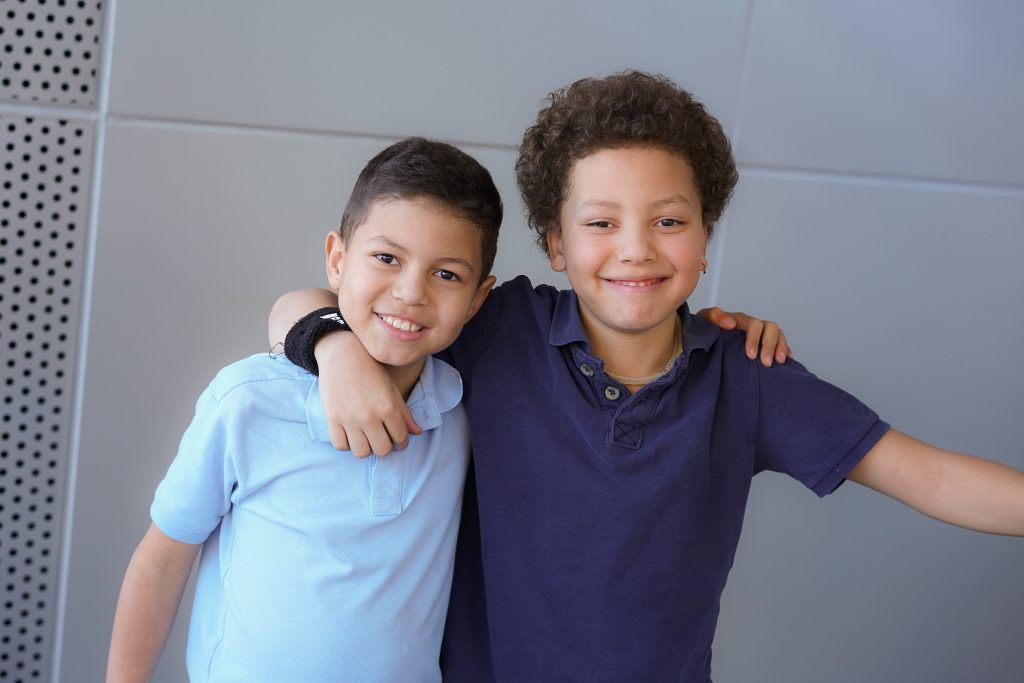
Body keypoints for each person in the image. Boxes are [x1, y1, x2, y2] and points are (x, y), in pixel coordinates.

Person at [272, 71, 1024, 681]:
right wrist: (333, 349)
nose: (636, 248)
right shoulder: (500, 331)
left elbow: (928, 475)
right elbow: (297, 305)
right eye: (601, 223)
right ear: (555, 243)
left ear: (705, 235)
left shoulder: (749, 374)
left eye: (669, 220)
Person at [107, 138, 504, 681]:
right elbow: (161, 559)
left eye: (447, 274)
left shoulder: (463, 413)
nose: (412, 292)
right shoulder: (249, 401)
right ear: (337, 261)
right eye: (386, 258)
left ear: (478, 300)